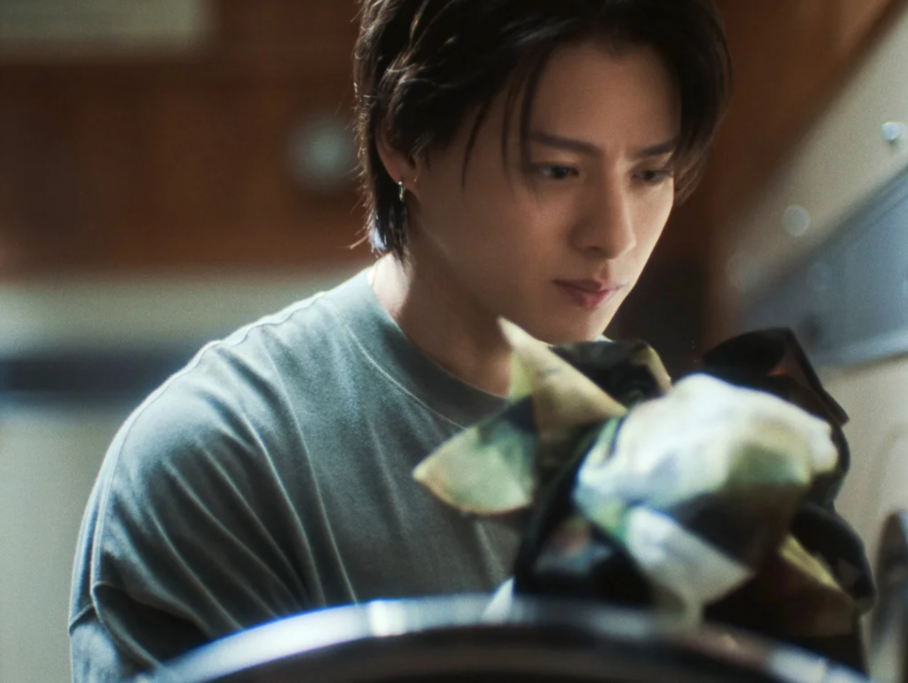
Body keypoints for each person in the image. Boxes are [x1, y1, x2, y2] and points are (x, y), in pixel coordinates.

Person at [68, 0, 733, 679]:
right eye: (557, 169)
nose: (614, 235)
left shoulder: (669, 443)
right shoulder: (221, 456)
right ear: (406, 141)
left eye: (649, 174)